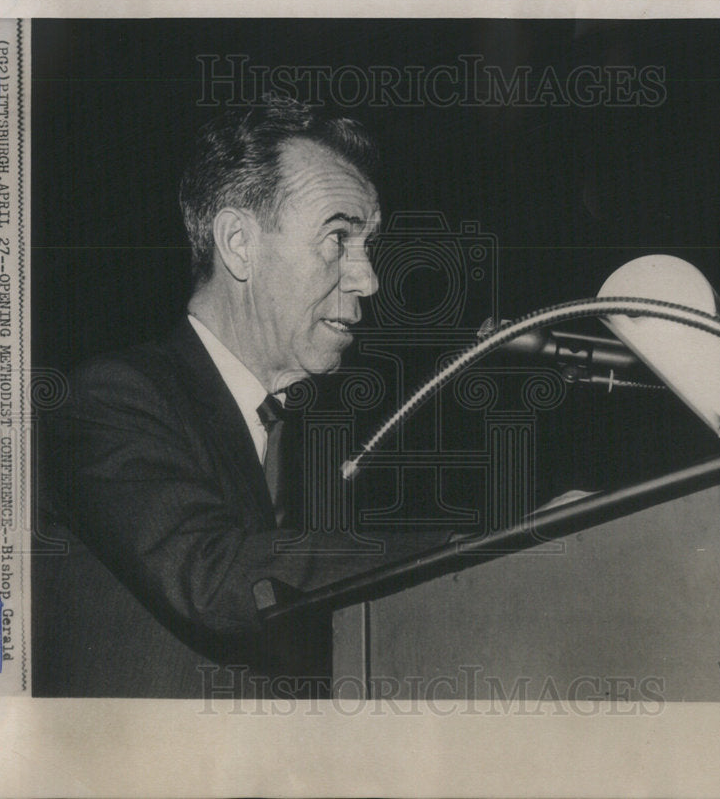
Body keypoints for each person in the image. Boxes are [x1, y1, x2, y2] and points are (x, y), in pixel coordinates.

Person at [33, 98, 435, 698]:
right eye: (338, 237)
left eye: (367, 244)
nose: (368, 278)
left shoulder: (315, 438)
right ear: (239, 243)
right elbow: (218, 578)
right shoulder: (113, 399)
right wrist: (466, 548)